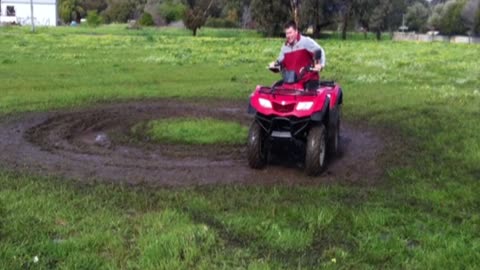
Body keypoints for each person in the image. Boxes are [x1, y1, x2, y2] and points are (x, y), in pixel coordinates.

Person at [269, 21, 326, 90]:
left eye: (290, 33)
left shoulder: (305, 41)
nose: (288, 36)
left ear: (296, 31)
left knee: (310, 94)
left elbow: (320, 50)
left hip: (308, 79)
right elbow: (280, 64)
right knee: (275, 88)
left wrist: (320, 65)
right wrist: (273, 66)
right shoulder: (284, 48)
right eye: (287, 33)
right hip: (291, 81)